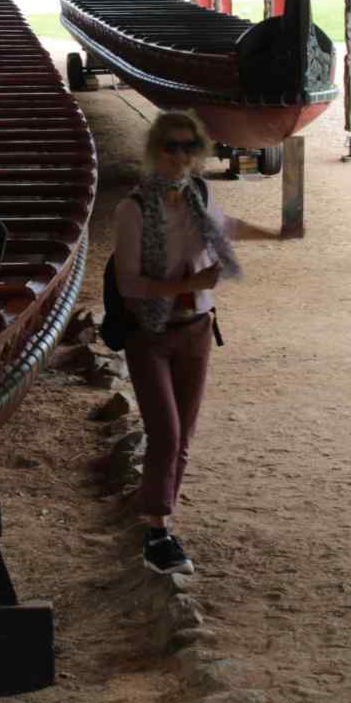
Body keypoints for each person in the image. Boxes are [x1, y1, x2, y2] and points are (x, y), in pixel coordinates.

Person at [113, 109, 278, 576]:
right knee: (165, 433)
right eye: (171, 147)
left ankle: (161, 523)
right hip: (150, 332)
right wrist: (187, 285)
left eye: (189, 147)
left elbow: (227, 226)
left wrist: (278, 233)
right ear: (155, 150)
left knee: (182, 436)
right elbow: (129, 284)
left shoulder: (199, 195)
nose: (180, 156)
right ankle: (156, 532)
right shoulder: (133, 209)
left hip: (196, 329)